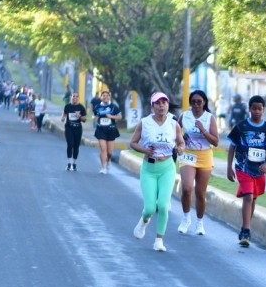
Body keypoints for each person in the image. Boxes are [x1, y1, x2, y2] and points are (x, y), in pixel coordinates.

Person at [130, 92, 186, 252]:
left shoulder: (173, 124)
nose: (161, 106)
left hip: (167, 168)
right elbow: (133, 142)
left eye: (164, 102)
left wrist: (180, 148)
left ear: (168, 105)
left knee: (163, 205)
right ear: (152, 106)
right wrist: (144, 150)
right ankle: (143, 221)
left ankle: (159, 240)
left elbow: (181, 142)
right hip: (149, 169)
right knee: (149, 208)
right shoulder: (144, 123)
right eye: (157, 103)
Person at [227, 95, 266, 247]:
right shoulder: (241, 127)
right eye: (254, 109)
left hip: (259, 169)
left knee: (253, 199)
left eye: (259, 109)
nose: (257, 111)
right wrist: (229, 167)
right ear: (249, 109)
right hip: (243, 167)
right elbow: (232, 147)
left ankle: (246, 225)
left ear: (263, 110)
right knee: (248, 197)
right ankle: (246, 231)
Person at [177, 90, 219, 235]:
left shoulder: (209, 118)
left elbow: (216, 141)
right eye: (193, 102)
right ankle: (186, 218)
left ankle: (200, 223)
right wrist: (181, 140)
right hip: (188, 154)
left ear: (204, 102)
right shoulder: (185, 116)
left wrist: (203, 130)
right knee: (187, 188)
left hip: (204, 155)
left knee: (200, 193)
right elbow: (176, 132)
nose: (196, 105)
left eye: (199, 102)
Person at [93, 90, 122, 174]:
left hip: (111, 130)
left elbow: (120, 117)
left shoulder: (113, 107)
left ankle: (108, 160)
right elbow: (95, 116)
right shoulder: (97, 107)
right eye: (103, 96)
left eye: (107, 96)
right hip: (101, 129)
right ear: (101, 97)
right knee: (103, 148)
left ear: (109, 97)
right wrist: (95, 118)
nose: (105, 97)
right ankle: (103, 167)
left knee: (109, 152)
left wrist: (111, 116)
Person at [61, 91, 87, 171]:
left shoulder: (81, 107)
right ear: (71, 97)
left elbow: (84, 120)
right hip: (69, 128)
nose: (74, 98)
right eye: (73, 96)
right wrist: (63, 118)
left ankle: (74, 163)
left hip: (78, 128)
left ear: (78, 98)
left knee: (76, 146)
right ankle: (69, 163)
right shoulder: (67, 106)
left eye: (76, 96)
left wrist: (79, 116)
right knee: (70, 144)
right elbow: (64, 114)